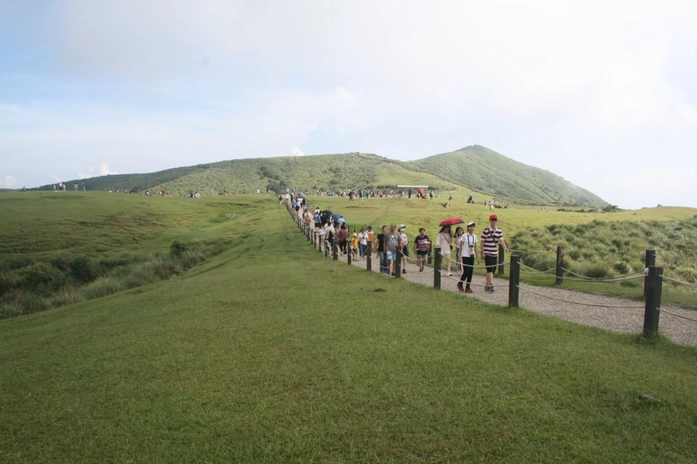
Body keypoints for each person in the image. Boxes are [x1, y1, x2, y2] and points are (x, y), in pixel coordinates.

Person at [480, 214, 509, 292]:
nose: (494, 221)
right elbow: (482, 241)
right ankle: (491, 284)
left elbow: (501, 240)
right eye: (492, 220)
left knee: (492, 270)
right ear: (490, 221)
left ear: (497, 221)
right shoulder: (486, 230)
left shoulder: (499, 231)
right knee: (490, 269)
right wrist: (482, 252)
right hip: (487, 252)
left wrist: (505, 247)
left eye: (495, 220)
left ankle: (486, 284)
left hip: (494, 253)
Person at [457, 222, 479, 293]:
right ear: (467, 227)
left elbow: (475, 247)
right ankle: (460, 283)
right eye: (470, 226)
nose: (472, 228)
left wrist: (477, 257)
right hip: (465, 254)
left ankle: (468, 287)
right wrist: (459, 255)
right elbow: (460, 246)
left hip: (471, 255)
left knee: (471, 272)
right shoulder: (464, 236)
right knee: (467, 270)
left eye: (473, 226)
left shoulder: (474, 236)